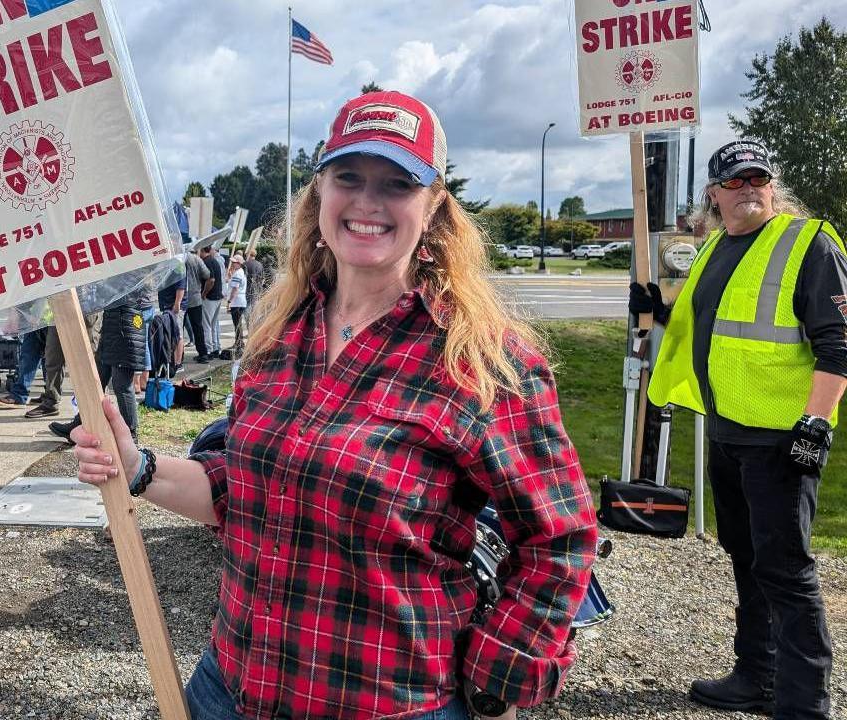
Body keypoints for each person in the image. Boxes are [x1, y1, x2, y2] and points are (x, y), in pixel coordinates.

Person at [72, 90, 597, 719]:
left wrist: (498, 682)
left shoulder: (481, 361)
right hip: (231, 688)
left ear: (433, 208)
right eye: (349, 176)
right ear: (320, 193)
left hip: (385, 702)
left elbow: (558, 539)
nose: (368, 202)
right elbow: (238, 488)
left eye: (397, 183)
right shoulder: (277, 338)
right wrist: (136, 467)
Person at [637, 139, 845, 720]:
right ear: (713, 192)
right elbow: (703, 318)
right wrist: (655, 307)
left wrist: (816, 422)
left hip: (782, 438)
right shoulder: (718, 246)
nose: (748, 187)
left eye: (758, 177)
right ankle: (759, 673)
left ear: (773, 185)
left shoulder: (808, 243)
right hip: (728, 429)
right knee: (746, 556)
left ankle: (805, 706)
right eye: (734, 180)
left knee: (785, 570)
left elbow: (840, 342)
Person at [50, 286, 152, 444]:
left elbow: (112, 292)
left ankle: (131, 435)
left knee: (122, 386)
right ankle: (80, 424)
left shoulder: (132, 273)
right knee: (96, 383)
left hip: (125, 328)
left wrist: (97, 284)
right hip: (114, 328)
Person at [184, 247, 213, 363]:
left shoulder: (179, 258)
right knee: (198, 327)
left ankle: (178, 357)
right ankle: (203, 353)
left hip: (181, 297)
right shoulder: (197, 259)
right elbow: (207, 275)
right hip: (195, 297)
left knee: (179, 329)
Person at [200, 245, 225, 358]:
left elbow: (211, 280)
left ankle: (208, 350)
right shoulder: (214, 260)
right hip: (218, 296)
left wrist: (204, 293)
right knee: (213, 324)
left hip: (210, 297)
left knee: (206, 325)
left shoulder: (206, 262)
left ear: (201, 250)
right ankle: (215, 347)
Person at [225, 253, 248, 357]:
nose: (232, 264)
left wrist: (229, 301)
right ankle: (239, 342)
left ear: (238, 263)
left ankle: (239, 343)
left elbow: (235, 288)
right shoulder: (240, 272)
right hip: (240, 300)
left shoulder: (238, 273)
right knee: (238, 324)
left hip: (237, 301)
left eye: (234, 262)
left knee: (237, 324)